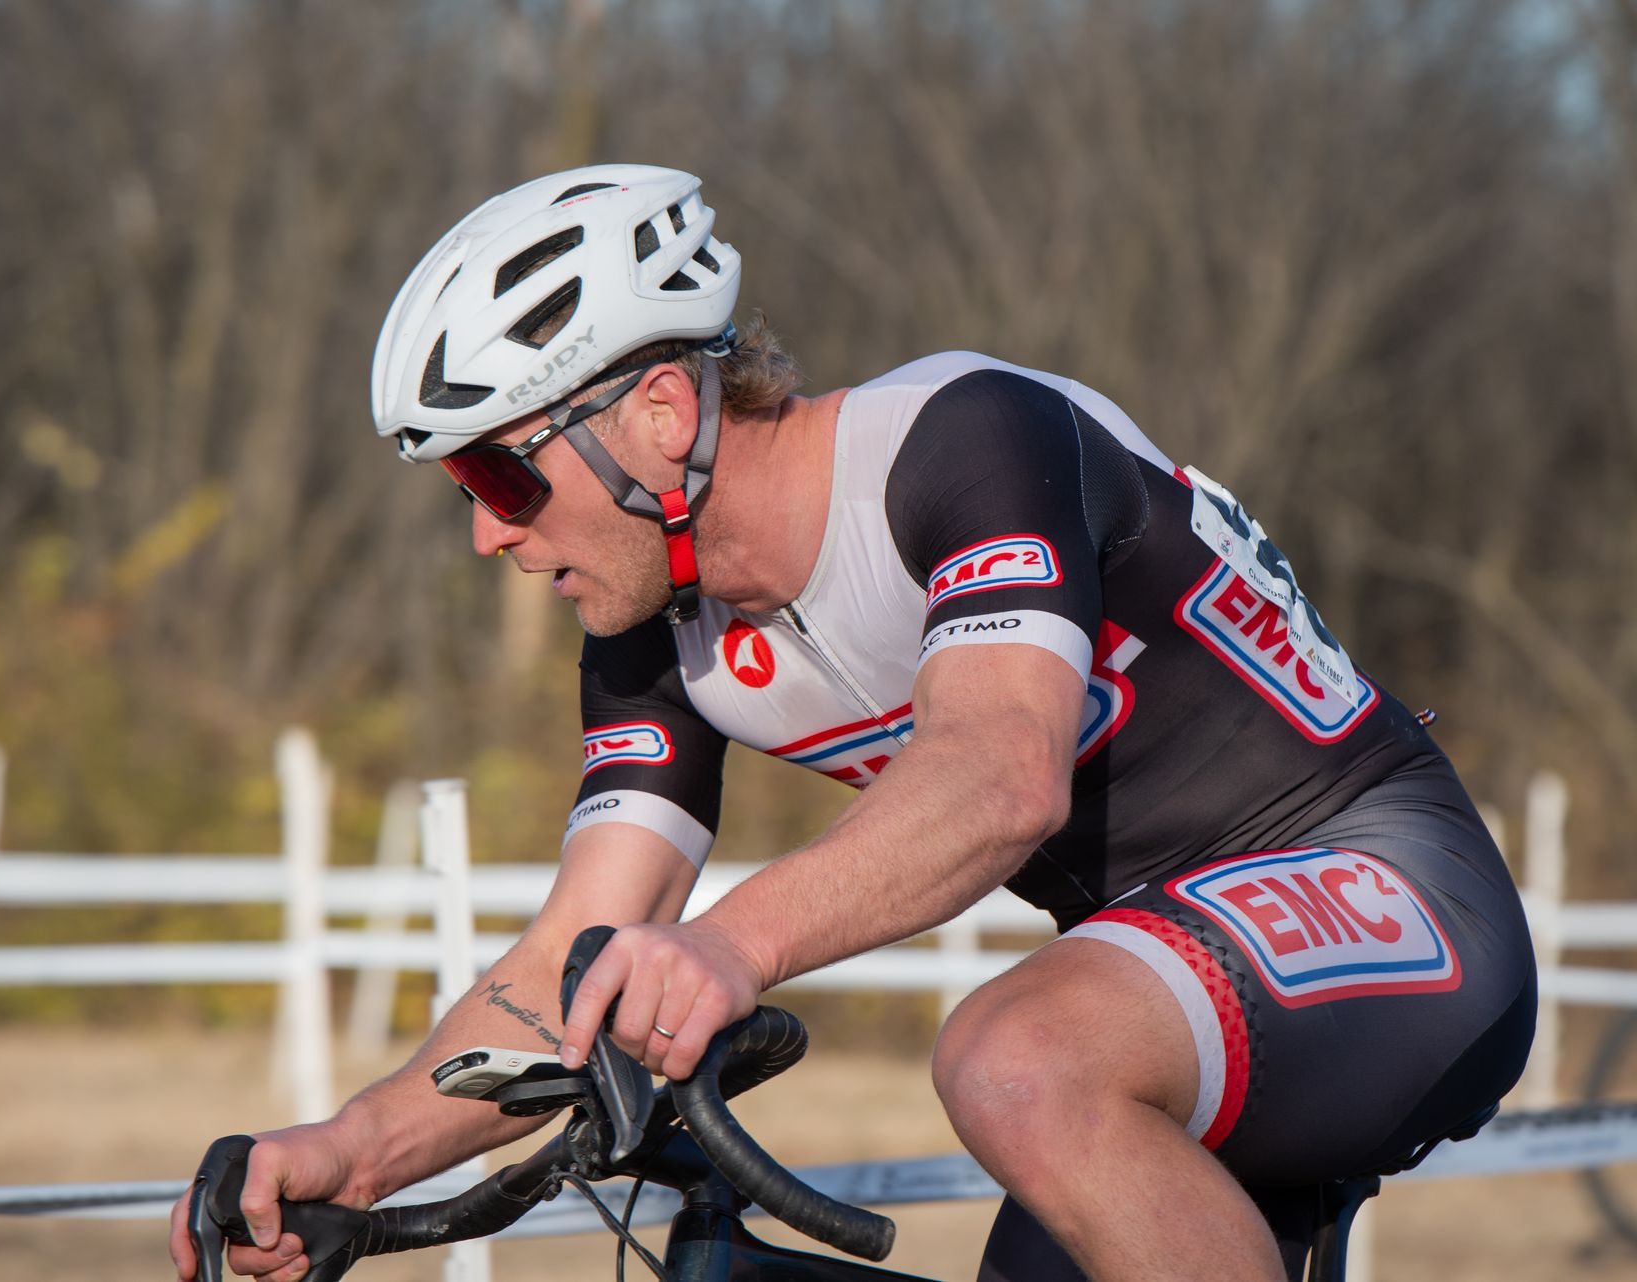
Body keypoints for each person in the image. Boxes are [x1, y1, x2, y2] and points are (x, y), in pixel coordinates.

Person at [170, 164, 1535, 1282]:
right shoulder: (654, 630)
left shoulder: (961, 438)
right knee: (1035, 1096)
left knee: (1014, 1059)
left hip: (1387, 878)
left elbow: (999, 775)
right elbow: (562, 963)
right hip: (1155, 986)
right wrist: (354, 1150)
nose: (485, 533)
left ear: (658, 414)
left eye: (498, 475)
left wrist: (729, 945)